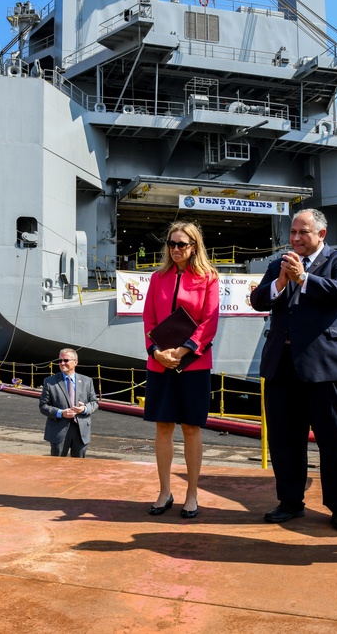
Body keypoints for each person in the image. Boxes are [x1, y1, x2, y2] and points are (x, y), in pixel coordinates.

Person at [249, 208, 337, 531]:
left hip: (332, 369)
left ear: (321, 235)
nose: (296, 238)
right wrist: (281, 282)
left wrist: (304, 278)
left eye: (303, 233)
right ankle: (290, 501)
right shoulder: (279, 264)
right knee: (284, 440)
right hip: (283, 367)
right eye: (293, 233)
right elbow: (259, 299)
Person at [142, 222, 220, 519]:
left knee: (190, 427)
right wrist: (156, 352)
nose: (176, 249)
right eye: (172, 244)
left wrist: (185, 349)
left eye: (182, 244)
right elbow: (149, 319)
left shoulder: (208, 277)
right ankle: (164, 491)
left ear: (194, 246)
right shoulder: (157, 277)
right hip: (160, 363)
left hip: (194, 363)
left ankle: (191, 494)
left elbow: (209, 322)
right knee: (163, 427)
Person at [39, 348, 99, 457]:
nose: (62, 363)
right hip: (59, 431)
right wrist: (61, 413)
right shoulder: (50, 381)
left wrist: (84, 409)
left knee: (78, 467)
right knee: (57, 467)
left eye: (65, 360)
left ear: (75, 362)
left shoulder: (87, 381)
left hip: (81, 431)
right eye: (60, 360)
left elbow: (94, 403)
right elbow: (43, 406)